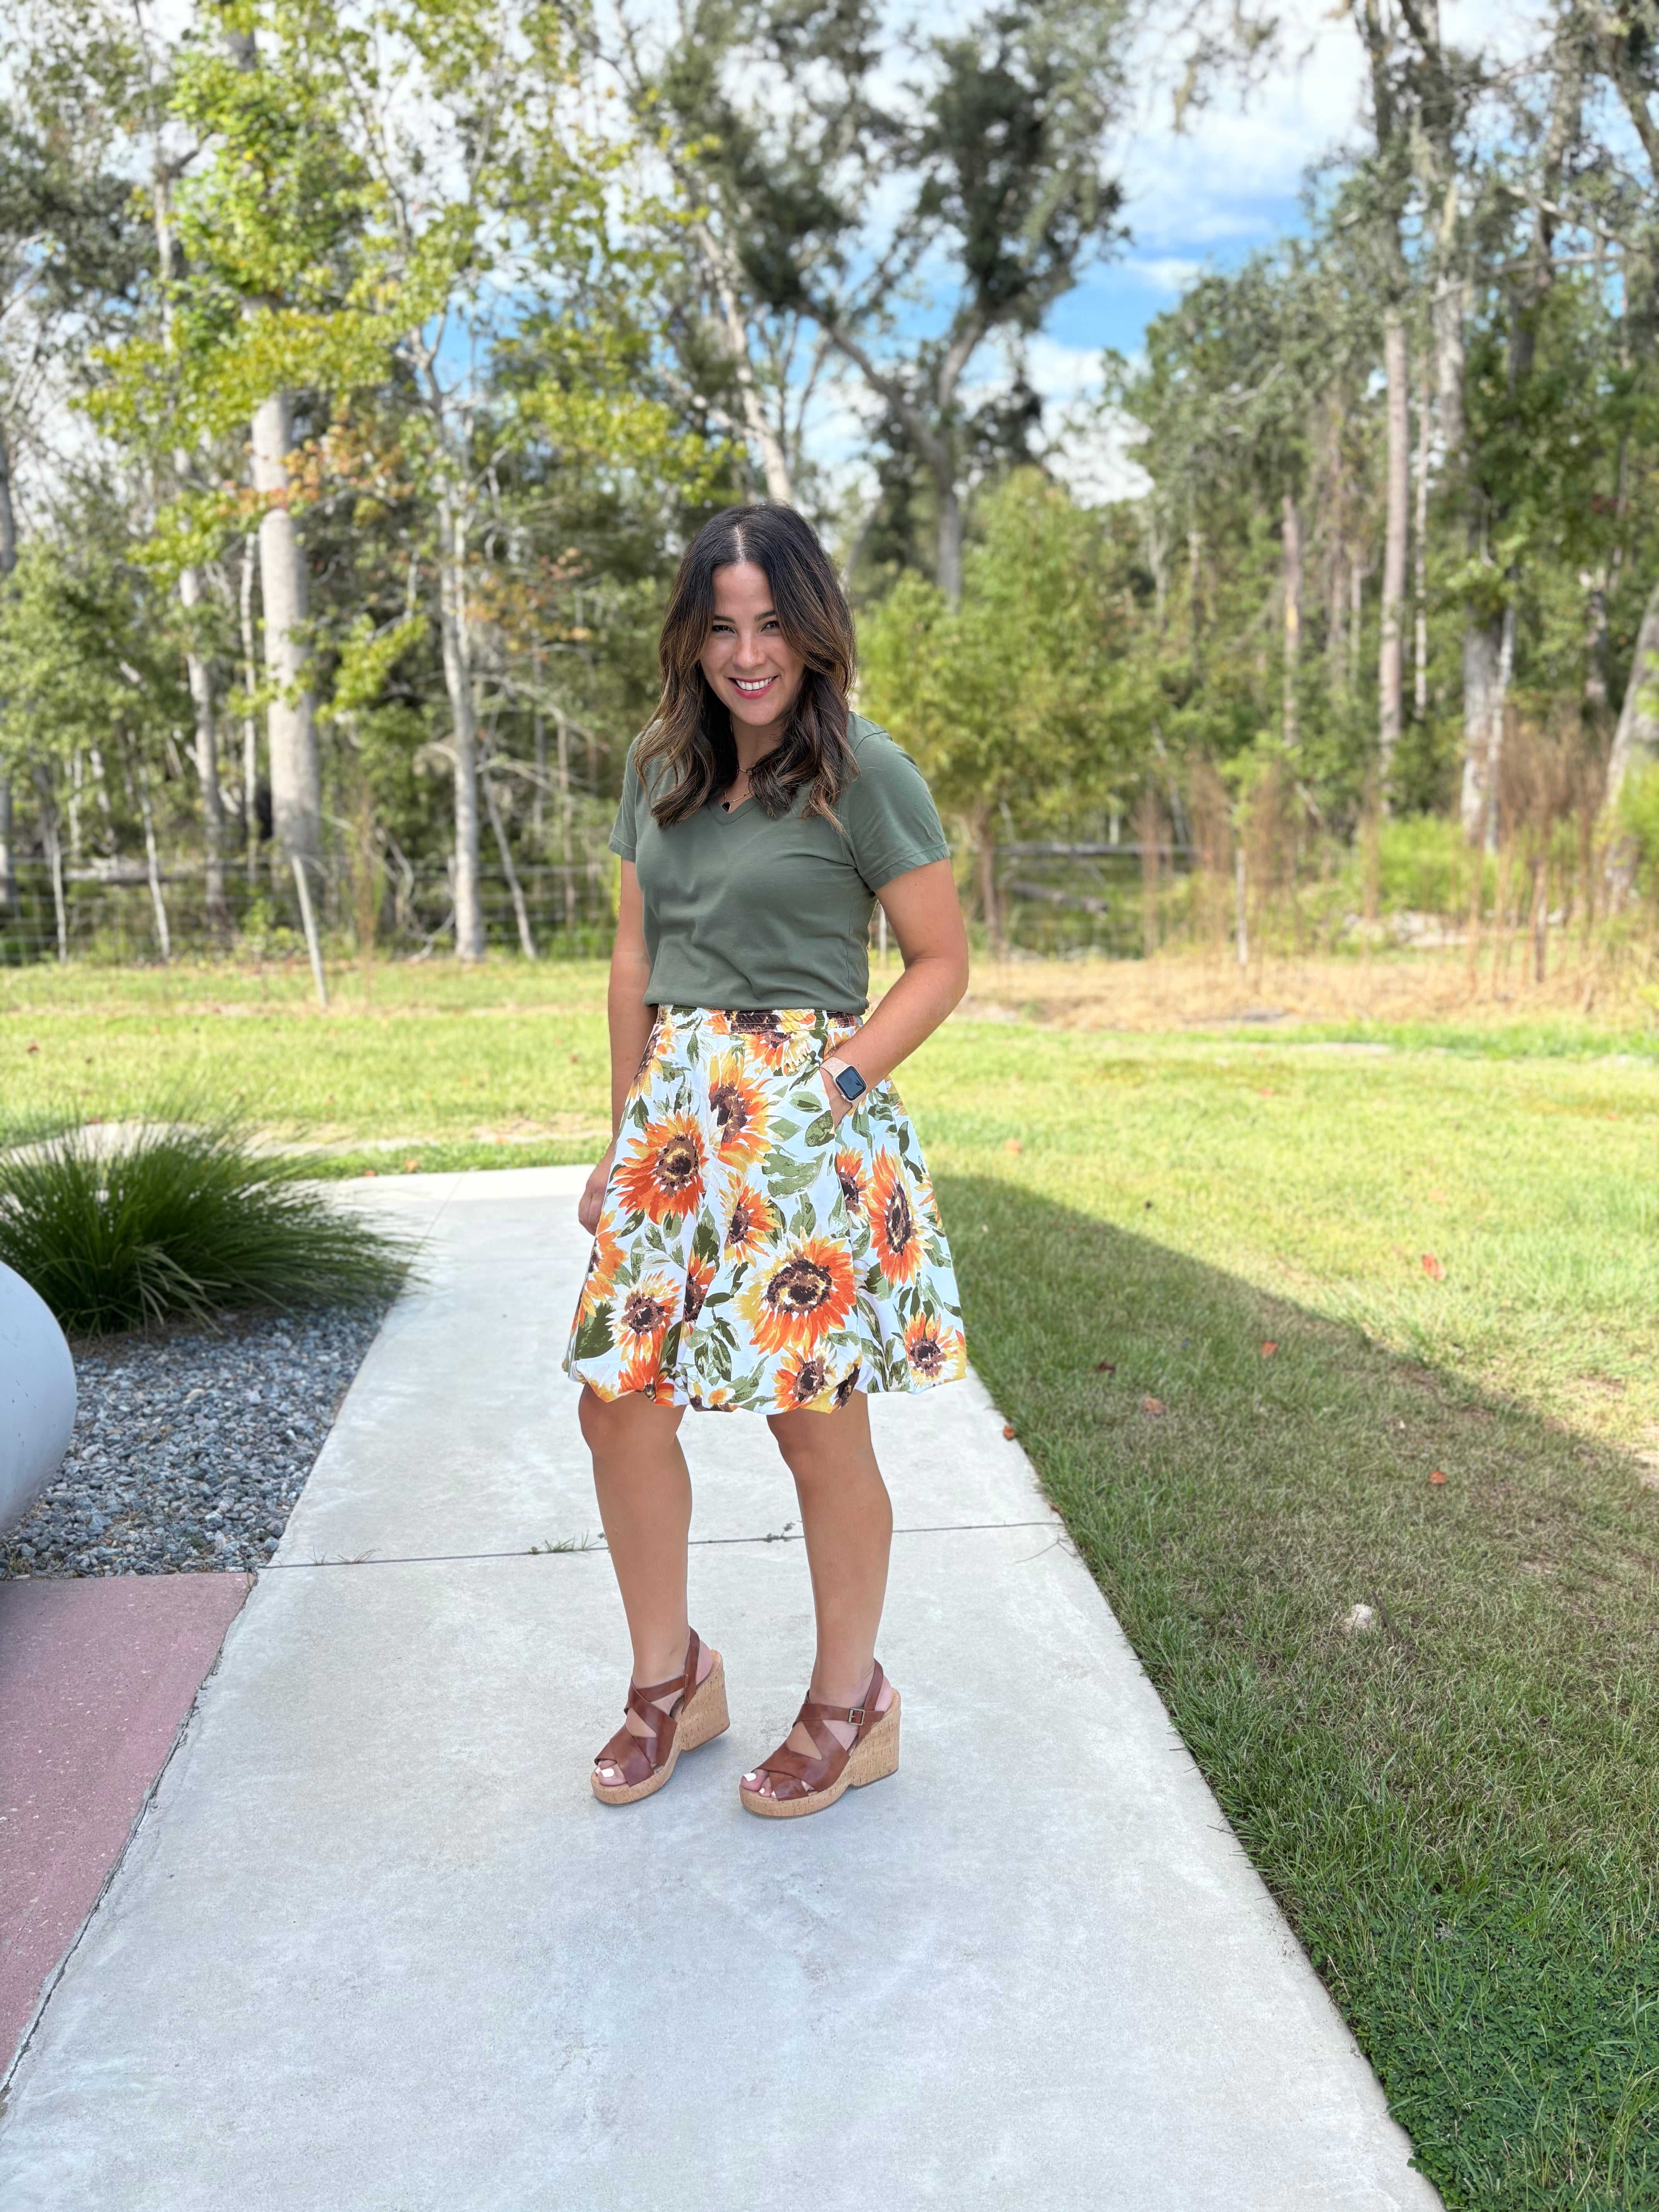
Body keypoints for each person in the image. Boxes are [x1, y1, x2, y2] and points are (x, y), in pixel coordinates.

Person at [565, 501, 970, 1821]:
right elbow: (634, 959)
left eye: (772, 626)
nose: (748, 655)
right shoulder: (658, 767)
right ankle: (669, 1680)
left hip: (802, 1116)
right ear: (692, 638)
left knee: (813, 1426)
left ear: (812, 631)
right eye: (723, 628)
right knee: (618, 1405)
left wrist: (832, 1087)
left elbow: (942, 962)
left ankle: (851, 1706)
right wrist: (623, 1134)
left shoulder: (863, 768)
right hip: (675, 1122)